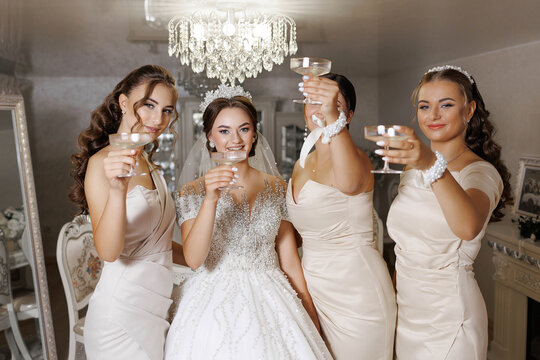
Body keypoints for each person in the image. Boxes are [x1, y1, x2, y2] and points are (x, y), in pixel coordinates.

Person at [164, 85, 331, 359]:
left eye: (243, 129)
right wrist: (210, 199)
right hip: (211, 299)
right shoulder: (193, 192)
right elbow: (194, 260)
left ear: (254, 134)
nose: (235, 140)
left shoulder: (277, 187)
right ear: (209, 137)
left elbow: (288, 260)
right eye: (224, 130)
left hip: (273, 296)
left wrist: (310, 314)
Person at [383, 65, 512, 359]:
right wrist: (391, 303)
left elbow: (468, 227)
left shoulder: (481, 173)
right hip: (407, 313)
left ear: (469, 110)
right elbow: (406, 246)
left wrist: (431, 164)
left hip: (450, 318)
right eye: (424, 106)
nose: (433, 116)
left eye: (447, 105)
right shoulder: (411, 169)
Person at [70, 64, 183, 360]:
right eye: (148, 105)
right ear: (123, 103)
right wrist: (118, 189)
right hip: (120, 315)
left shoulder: (149, 163)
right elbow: (108, 252)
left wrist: (208, 260)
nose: (158, 119)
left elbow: (157, 244)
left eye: (167, 110)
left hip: (155, 307)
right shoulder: (102, 163)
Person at [286, 73, 396, 359]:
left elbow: (348, 184)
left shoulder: (357, 158)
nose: (319, 108)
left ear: (347, 115)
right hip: (313, 288)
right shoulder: (302, 161)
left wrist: (330, 114)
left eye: (331, 103)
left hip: (357, 292)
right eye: (312, 101)